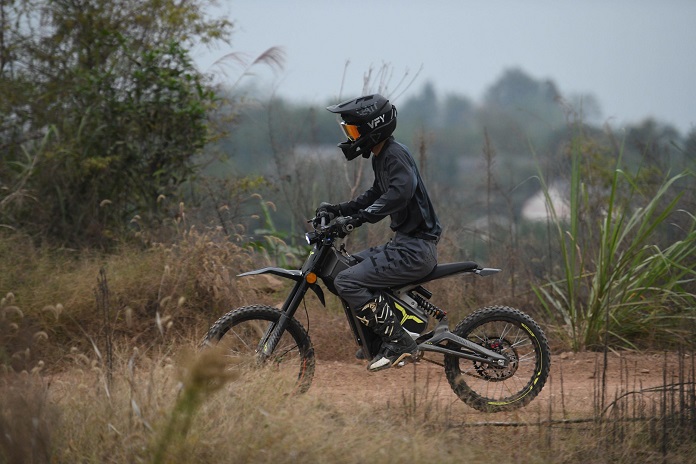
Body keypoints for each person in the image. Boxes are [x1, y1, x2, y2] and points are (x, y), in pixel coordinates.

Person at [317, 93, 441, 372]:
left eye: (354, 130)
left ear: (373, 128)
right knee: (343, 271)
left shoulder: (394, 155)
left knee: (348, 282)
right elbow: (376, 193)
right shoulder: (382, 156)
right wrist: (339, 209)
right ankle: (377, 339)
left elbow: (399, 193)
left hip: (414, 250)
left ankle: (399, 342)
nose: (350, 136)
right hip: (405, 245)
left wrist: (357, 220)